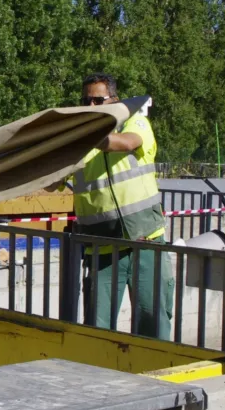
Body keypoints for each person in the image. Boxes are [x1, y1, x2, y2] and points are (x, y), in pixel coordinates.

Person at [70, 73, 173, 339]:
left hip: (146, 242)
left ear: (114, 100)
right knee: (98, 329)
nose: (90, 106)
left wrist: (84, 137)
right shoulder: (76, 142)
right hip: (102, 247)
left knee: (153, 322)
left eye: (97, 100)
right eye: (85, 100)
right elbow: (50, 183)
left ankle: (154, 380)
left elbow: (126, 143)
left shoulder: (135, 122)